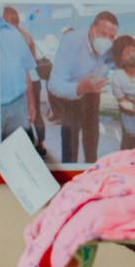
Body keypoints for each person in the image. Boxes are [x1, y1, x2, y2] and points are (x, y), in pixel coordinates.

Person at [47, 10, 117, 164]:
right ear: (91, 28)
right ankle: (69, 174)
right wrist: (79, 88)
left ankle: (91, 170)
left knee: (92, 139)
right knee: (70, 142)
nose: (107, 40)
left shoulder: (110, 47)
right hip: (70, 94)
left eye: (111, 36)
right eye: (103, 34)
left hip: (93, 93)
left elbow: (114, 60)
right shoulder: (71, 42)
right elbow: (54, 85)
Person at [2, 6, 49, 155]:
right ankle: (41, 145)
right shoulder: (23, 34)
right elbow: (32, 59)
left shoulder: (12, 34)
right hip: (33, 81)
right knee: (35, 115)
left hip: (24, 84)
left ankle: (32, 147)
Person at [0, 7, 37, 140]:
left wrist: (31, 102)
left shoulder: (14, 33)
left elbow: (26, 69)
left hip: (19, 105)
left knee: (19, 147)